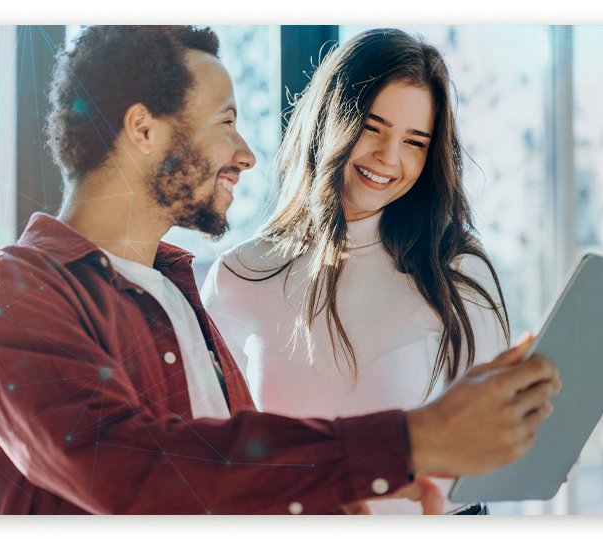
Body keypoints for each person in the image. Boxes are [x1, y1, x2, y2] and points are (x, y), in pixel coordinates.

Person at [0, 25, 561, 515]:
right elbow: (129, 470)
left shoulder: (177, 295)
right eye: (225, 122)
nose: (246, 154)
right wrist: (406, 442)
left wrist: (332, 501)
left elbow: (232, 477)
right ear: (143, 129)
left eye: (415, 141)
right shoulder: (3, 292)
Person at [201, 29, 510, 514]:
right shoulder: (238, 275)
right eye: (373, 127)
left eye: (415, 141)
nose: (390, 158)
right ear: (331, 121)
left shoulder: (456, 272)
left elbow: (490, 460)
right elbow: (215, 460)